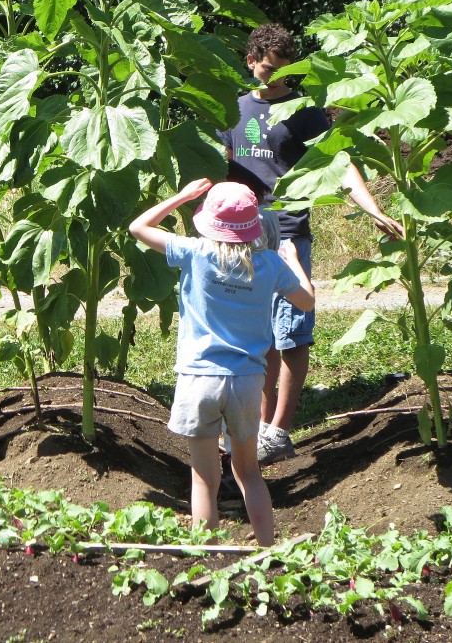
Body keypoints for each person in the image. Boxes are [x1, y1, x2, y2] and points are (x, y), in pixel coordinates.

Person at [218, 23, 403, 464]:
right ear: (251, 62)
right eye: (268, 70)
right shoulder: (232, 107)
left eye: (285, 73)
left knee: (291, 332)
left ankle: (278, 430)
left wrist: (372, 208)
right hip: (241, 234)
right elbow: (218, 163)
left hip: (287, 230)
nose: (277, 80)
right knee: (254, 334)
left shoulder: (304, 111)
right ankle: (254, 425)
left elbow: (338, 162)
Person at [129, 178, 315, 546]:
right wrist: (293, 261)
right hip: (247, 381)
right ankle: (267, 547)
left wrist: (181, 196)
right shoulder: (268, 265)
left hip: (198, 378)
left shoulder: (194, 252)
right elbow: (306, 302)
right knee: (248, 472)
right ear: (255, 224)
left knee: (203, 478)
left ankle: (206, 554)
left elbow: (138, 227)